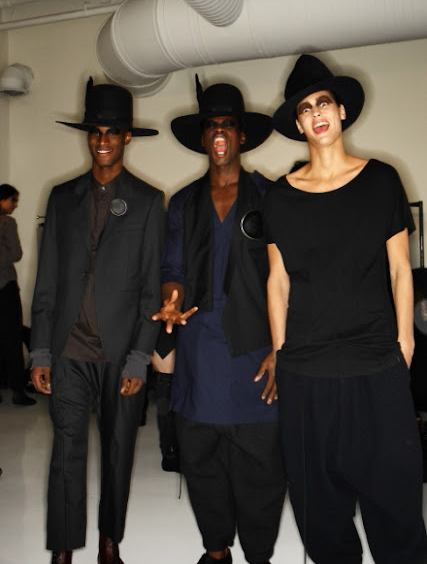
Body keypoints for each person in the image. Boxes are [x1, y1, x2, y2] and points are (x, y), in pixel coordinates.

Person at [262, 54, 427, 564]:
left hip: (376, 363)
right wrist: (281, 352)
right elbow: (277, 280)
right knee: (318, 508)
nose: (316, 113)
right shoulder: (280, 197)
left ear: (341, 112)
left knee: (395, 497)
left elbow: (400, 270)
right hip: (306, 370)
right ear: (298, 124)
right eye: (305, 108)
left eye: (323, 102)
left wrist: (405, 342)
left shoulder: (381, 180)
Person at [153, 76, 286, 564]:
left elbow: (288, 277)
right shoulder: (183, 202)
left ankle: (258, 554)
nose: (220, 133)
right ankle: (215, 550)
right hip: (198, 350)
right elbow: (172, 268)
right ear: (203, 137)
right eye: (211, 125)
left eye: (228, 124)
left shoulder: (272, 197)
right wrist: (171, 300)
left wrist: (282, 348)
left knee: (261, 463)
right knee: (200, 456)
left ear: (242, 135)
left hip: (256, 348)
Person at [30, 78, 164, 564]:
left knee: (118, 449)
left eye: (112, 132)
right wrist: (40, 350)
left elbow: (151, 288)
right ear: (88, 137)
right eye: (95, 132)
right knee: (65, 452)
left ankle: (110, 541)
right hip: (68, 349)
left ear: (126, 137)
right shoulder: (61, 197)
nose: (102, 140)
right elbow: (46, 279)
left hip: (120, 353)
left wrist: (138, 358)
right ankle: (63, 548)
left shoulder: (148, 201)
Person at [0, 183, 36, 406]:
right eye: (13, 200)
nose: (15, 205)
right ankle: (17, 390)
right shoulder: (7, 222)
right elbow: (16, 254)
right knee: (13, 337)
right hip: (5, 286)